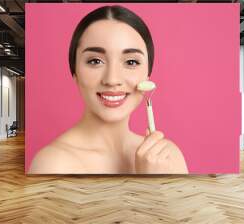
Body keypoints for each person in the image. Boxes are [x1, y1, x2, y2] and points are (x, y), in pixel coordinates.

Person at [29, 5, 188, 174]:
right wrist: (150, 187)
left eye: (131, 62)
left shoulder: (169, 157)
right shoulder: (52, 165)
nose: (112, 80)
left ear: (147, 75)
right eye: (95, 61)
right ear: (75, 72)